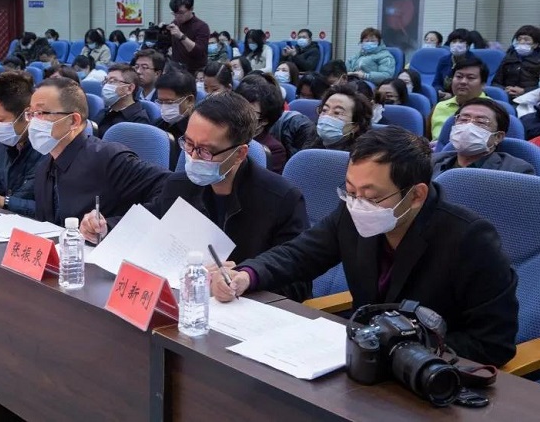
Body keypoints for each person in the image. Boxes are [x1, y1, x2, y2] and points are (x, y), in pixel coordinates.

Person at [212, 126, 519, 368]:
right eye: (350, 191)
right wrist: (247, 275)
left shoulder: (469, 239)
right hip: (366, 363)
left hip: (428, 373)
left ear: (416, 195)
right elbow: (300, 254)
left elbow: (493, 343)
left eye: (371, 197)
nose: (358, 205)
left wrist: (404, 349)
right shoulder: (353, 212)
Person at [81, 92, 311, 300]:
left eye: (205, 151)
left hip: (241, 310)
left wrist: (242, 279)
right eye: (188, 144)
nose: (192, 156)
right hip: (183, 299)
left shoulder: (281, 199)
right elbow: (149, 223)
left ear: (239, 153)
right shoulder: (179, 185)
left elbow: (298, 283)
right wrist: (105, 227)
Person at [28, 77, 169, 225]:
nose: (33, 122)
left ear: (73, 121)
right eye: (31, 114)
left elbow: (173, 189)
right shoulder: (44, 166)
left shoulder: (108, 158)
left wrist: (112, 226)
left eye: (40, 113)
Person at [0, 71, 44, 217]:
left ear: (28, 114)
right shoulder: (5, 142)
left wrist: (3, 201)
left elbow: (52, 210)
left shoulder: (47, 148)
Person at [431, 98, 534, 177]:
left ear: (498, 137)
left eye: (481, 122)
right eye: (463, 119)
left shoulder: (516, 171)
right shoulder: (432, 162)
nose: (468, 126)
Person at [430, 57, 490, 141]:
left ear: (483, 84)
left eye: (470, 78)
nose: (463, 82)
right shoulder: (440, 107)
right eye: (459, 76)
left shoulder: (493, 110)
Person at [236, 77, 286, 174]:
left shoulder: (273, 149)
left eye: (249, 111)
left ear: (264, 120)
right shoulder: (224, 134)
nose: (240, 114)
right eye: (238, 107)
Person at [307, 84, 372, 152]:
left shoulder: (361, 154)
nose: (327, 116)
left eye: (337, 112)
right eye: (324, 110)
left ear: (354, 126)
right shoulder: (309, 141)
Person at [95, 63, 151, 137]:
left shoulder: (139, 121)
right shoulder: (103, 112)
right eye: (106, 81)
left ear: (129, 88)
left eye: (112, 81)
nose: (106, 86)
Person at [166, 0, 210, 75]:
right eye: (175, 13)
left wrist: (181, 36)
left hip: (194, 72)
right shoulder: (174, 23)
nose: (177, 16)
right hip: (176, 70)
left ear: (191, 9)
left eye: (181, 13)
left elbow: (199, 52)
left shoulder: (202, 26)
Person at [492, 25, 540, 98]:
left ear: (535, 44)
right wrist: (505, 90)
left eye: (526, 40)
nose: (522, 42)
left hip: (531, 98)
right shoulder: (508, 57)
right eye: (519, 39)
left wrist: (524, 91)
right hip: (507, 96)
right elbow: (495, 83)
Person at [155, 68, 197, 143]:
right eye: (160, 102)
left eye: (169, 102)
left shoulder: (197, 132)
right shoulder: (157, 126)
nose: (164, 106)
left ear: (189, 100)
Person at [432, 28, 475, 98]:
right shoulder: (444, 60)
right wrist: (439, 91)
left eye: (461, 41)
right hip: (444, 97)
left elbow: (473, 87)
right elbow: (436, 83)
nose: (457, 44)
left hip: (467, 98)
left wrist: (452, 96)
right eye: (454, 41)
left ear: (468, 45)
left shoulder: (474, 62)